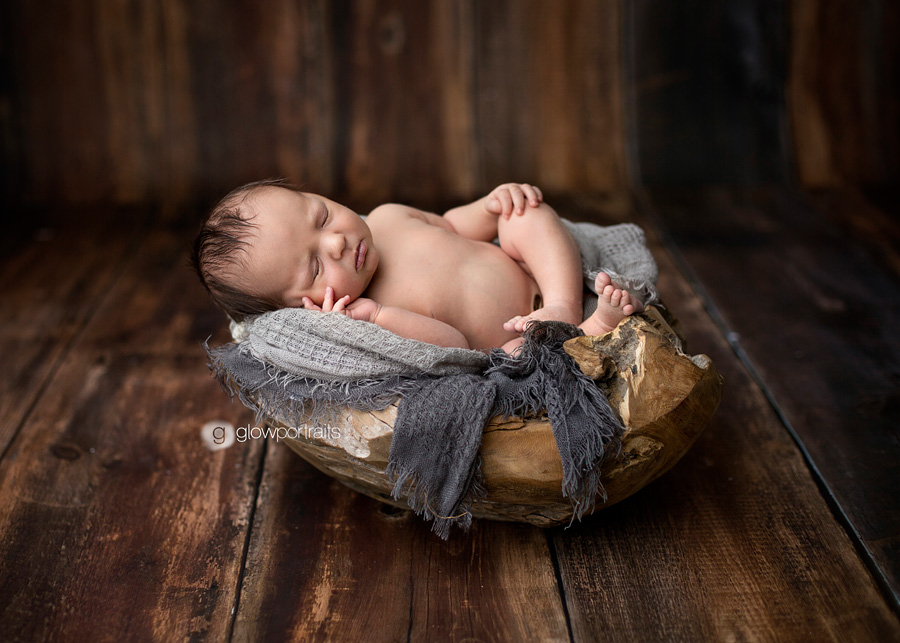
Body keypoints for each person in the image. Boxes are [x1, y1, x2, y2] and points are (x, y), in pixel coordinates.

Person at [191, 178, 643, 353]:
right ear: (303, 308)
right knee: (511, 364)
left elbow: (450, 224)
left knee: (526, 216)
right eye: (314, 267)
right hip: (513, 334)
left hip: (532, 272)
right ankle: (594, 327)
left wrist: (490, 206)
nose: (336, 241)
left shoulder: (388, 215)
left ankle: (565, 303)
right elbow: (454, 345)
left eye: (323, 216)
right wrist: (375, 318)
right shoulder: (375, 314)